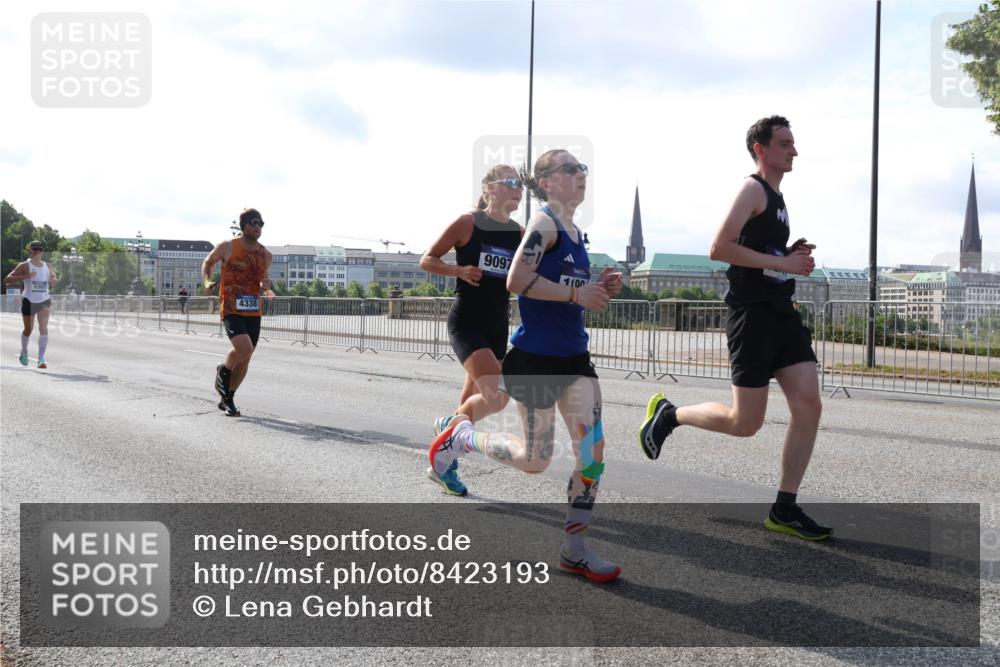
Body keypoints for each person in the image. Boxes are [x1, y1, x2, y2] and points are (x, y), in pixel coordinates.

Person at [428, 149, 624, 582]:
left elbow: (566, 288)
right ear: (547, 182)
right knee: (535, 460)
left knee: (592, 454)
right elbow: (518, 281)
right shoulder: (543, 224)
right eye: (569, 169)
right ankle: (463, 437)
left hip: (575, 358)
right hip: (535, 360)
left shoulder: (574, 232)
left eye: (582, 168)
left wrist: (598, 286)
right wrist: (577, 295)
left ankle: (574, 549)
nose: (580, 175)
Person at [638, 115, 830, 541]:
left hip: (781, 311)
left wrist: (788, 252)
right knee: (746, 423)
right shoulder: (752, 189)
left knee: (809, 405)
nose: (793, 150)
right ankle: (670, 416)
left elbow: (760, 253)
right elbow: (719, 248)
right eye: (784, 143)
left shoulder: (778, 200)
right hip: (752, 316)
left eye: (794, 143)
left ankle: (784, 508)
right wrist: (782, 262)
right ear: (760, 149)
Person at [420, 163, 524, 496]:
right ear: (489, 188)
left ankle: (445, 463)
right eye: (510, 182)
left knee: (472, 403)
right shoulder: (468, 223)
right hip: (467, 321)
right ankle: (446, 428)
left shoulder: (518, 233)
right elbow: (427, 259)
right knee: (497, 396)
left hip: (497, 325)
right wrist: (459, 270)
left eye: (520, 183)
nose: (517, 188)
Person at [202, 208, 273, 416]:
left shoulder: (265, 254)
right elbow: (208, 261)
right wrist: (207, 280)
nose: (257, 227)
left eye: (261, 224)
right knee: (244, 349)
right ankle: (223, 369)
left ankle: (228, 397)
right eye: (253, 222)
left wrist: (266, 285)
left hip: (253, 308)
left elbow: (261, 279)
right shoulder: (227, 247)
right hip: (232, 306)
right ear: (243, 226)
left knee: (247, 355)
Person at [4, 240, 58, 368]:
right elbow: (7, 279)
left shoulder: (48, 266)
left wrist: (54, 280)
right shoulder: (24, 265)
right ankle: (24, 351)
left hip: (44, 300)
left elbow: (53, 280)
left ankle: (41, 358)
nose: (37, 251)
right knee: (29, 329)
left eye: (39, 249)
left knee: (43, 328)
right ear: (31, 250)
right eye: (35, 249)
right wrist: (26, 276)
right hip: (29, 300)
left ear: (42, 251)